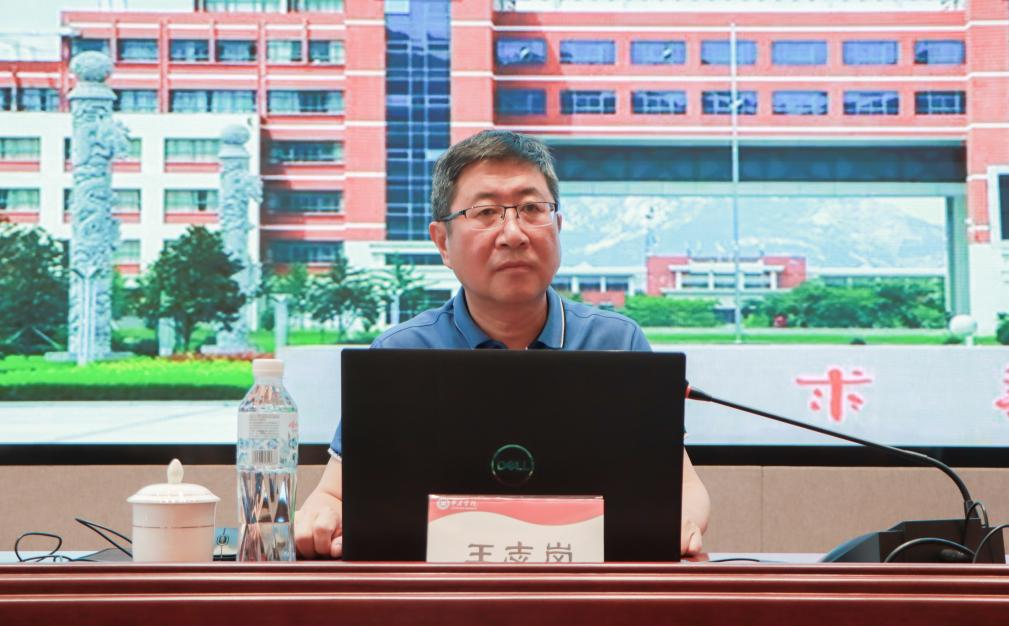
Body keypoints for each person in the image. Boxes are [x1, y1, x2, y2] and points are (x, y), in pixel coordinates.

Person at [295, 130, 711, 560]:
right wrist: (323, 515)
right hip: (441, 592)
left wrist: (680, 522)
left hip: (581, 586)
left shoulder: (617, 343)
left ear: (558, 226)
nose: (513, 234)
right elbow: (333, 494)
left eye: (532, 209)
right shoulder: (400, 353)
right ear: (442, 243)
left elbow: (682, 486)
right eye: (486, 212)